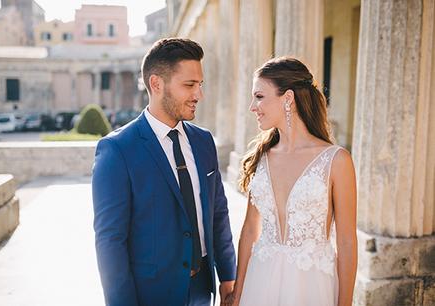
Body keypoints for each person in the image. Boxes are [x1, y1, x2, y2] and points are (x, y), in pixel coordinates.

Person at [92, 38, 236, 306]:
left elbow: (218, 213)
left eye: (200, 84)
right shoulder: (117, 150)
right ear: (157, 84)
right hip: (151, 295)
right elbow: (110, 241)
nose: (198, 95)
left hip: (203, 291)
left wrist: (228, 274)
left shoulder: (204, 141)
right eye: (189, 85)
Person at [227, 57, 357, 306]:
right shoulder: (261, 157)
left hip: (312, 285)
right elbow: (250, 230)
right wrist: (239, 292)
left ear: (287, 98)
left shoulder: (336, 160)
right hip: (260, 281)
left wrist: (345, 303)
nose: (252, 106)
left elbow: (347, 241)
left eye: (259, 96)